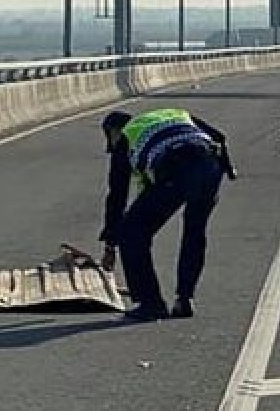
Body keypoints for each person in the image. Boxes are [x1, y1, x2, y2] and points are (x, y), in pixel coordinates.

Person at [99, 108, 236, 322]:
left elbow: (117, 195)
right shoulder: (173, 114)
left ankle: (150, 304)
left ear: (113, 132)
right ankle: (184, 299)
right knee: (194, 231)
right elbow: (219, 137)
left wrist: (111, 243)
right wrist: (229, 168)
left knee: (132, 231)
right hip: (210, 166)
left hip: (176, 166)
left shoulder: (127, 137)